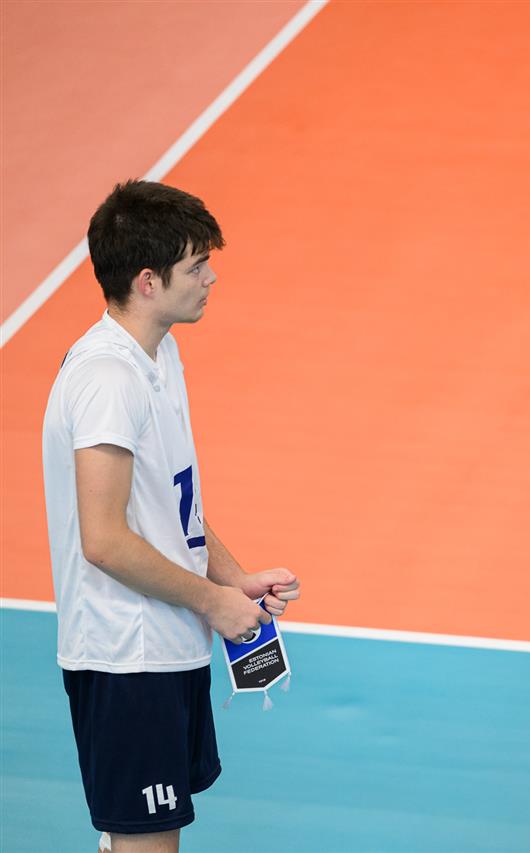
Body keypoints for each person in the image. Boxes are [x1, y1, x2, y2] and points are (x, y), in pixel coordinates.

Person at [42, 180, 301, 853]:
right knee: (147, 843)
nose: (211, 278)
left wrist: (233, 579)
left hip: (166, 645)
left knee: (143, 838)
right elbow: (103, 540)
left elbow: (169, 503)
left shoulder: (158, 354)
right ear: (148, 281)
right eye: (197, 266)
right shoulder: (107, 380)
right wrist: (214, 603)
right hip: (126, 658)